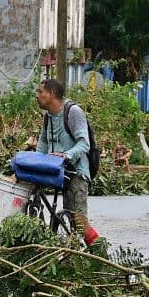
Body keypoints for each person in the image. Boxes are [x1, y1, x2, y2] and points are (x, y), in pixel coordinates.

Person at [36, 78, 94, 236]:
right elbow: (43, 143)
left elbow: (84, 144)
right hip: (59, 172)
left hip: (76, 173)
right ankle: (69, 252)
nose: (37, 95)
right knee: (69, 219)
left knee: (80, 222)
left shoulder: (73, 112)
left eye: (41, 92)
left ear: (52, 93)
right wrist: (33, 163)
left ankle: (100, 254)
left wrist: (67, 155)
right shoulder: (48, 116)